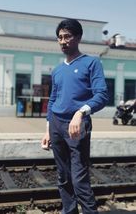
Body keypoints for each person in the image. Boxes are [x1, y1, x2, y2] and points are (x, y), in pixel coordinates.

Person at [41, 19, 108, 214]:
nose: (63, 41)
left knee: (79, 178)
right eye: (60, 38)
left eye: (67, 36)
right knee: (63, 176)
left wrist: (81, 112)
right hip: (56, 124)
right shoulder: (57, 70)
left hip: (78, 125)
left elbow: (102, 96)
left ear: (78, 38)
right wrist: (47, 129)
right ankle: (69, 211)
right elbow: (52, 100)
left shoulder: (91, 63)